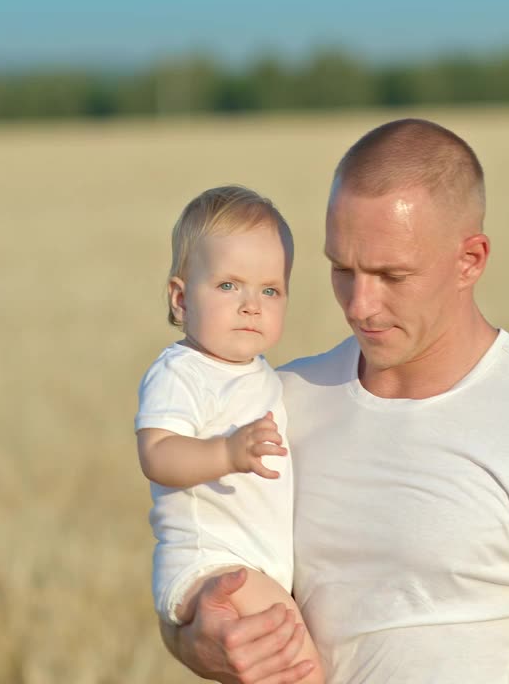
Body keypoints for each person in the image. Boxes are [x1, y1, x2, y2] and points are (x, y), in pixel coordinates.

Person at [162, 121, 509, 683]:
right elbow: (196, 560)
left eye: (391, 275)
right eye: (341, 270)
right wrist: (192, 641)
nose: (360, 304)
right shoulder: (281, 402)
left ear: (470, 260)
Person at [135, 186, 323, 683]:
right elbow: (156, 454)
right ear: (180, 299)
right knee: (302, 669)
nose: (250, 305)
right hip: (212, 565)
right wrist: (227, 451)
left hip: (250, 566)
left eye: (269, 290)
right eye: (227, 286)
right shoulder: (184, 371)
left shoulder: (260, 373)